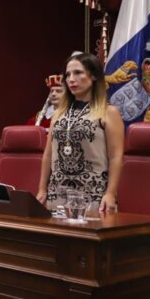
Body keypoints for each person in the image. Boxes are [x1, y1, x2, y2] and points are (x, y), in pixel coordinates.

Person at [37, 53, 124, 212]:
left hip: (93, 196)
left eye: (78, 73)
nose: (71, 79)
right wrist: (42, 189)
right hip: (57, 194)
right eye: (68, 74)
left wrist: (111, 193)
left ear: (94, 76)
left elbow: (116, 157)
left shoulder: (108, 112)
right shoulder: (59, 113)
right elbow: (48, 155)